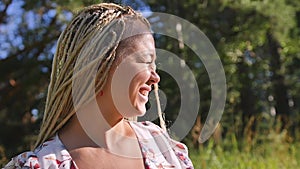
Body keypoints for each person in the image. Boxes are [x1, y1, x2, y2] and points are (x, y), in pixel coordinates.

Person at [4, 3, 194, 169]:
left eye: (155, 66)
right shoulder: (41, 165)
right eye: (145, 62)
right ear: (99, 66)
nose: (156, 78)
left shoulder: (165, 150)